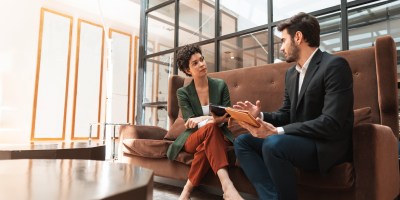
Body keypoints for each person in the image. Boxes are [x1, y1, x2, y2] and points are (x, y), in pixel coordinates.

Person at [233, 12, 354, 200]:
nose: (281, 48)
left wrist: (277, 132)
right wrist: (260, 115)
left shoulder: (335, 66)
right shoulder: (291, 74)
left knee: (273, 144)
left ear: (298, 37)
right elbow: (287, 113)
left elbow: (331, 123)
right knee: (243, 141)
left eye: (283, 41)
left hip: (324, 145)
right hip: (296, 140)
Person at [166, 44, 243, 200]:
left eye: (201, 60)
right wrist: (212, 120)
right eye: (195, 63)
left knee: (208, 141)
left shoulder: (220, 85)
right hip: (192, 137)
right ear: (188, 70)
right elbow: (190, 123)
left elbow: (227, 116)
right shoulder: (183, 92)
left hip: (219, 135)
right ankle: (227, 187)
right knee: (211, 129)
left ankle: (186, 191)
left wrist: (202, 118)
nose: (201, 64)